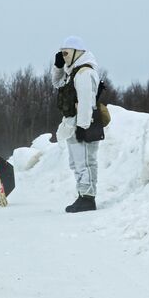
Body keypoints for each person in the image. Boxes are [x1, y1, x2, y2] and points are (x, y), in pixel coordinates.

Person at [51, 35, 100, 213]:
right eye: (61, 53)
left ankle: (87, 198)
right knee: (77, 162)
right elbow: (57, 83)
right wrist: (58, 67)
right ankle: (83, 194)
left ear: (76, 53)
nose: (63, 56)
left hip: (82, 122)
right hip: (73, 122)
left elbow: (86, 102)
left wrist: (83, 126)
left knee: (85, 161)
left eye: (65, 53)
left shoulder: (84, 73)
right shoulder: (73, 71)